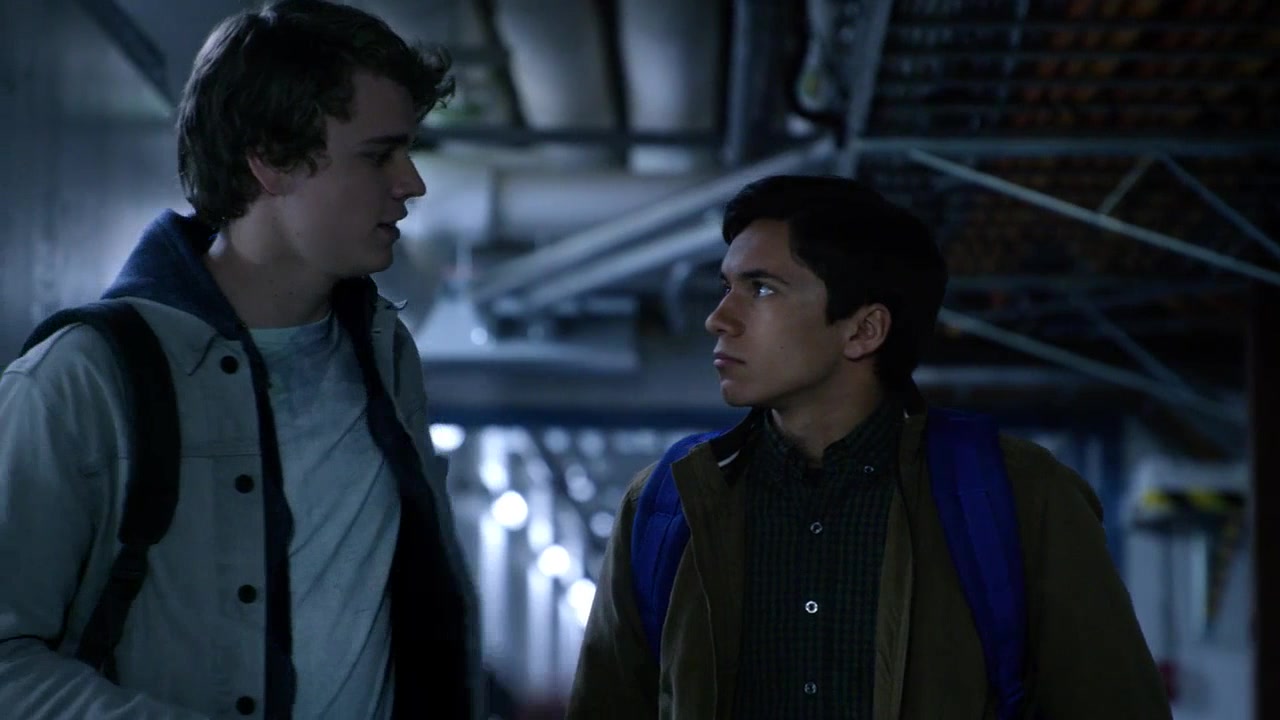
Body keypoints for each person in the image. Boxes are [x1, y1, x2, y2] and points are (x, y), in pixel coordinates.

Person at [0, 1, 479, 718]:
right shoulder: (83, 380)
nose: (411, 182)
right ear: (270, 160)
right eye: (378, 154)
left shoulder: (385, 353)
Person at [567, 175, 1171, 719]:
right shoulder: (666, 505)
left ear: (863, 330)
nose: (718, 318)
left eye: (763, 289)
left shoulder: (1019, 498)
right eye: (727, 287)